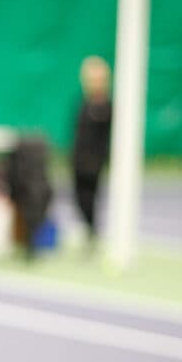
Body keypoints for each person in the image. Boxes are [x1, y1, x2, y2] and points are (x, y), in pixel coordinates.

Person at [70, 55, 112, 249]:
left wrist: (98, 159)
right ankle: (89, 230)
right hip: (78, 159)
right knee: (78, 198)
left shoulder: (106, 106)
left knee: (90, 199)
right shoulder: (83, 103)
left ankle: (92, 232)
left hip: (93, 162)